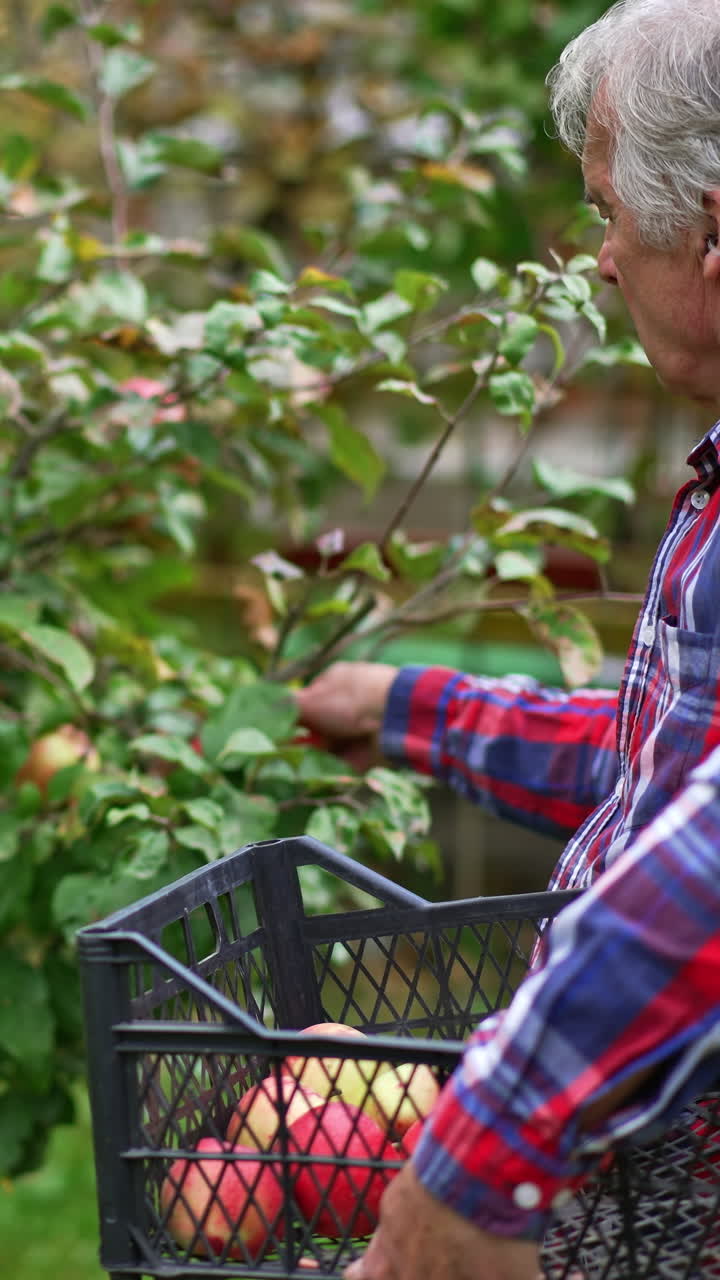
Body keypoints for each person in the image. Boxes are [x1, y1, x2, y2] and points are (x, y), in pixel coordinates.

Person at [293, 3, 720, 1276]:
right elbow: (670, 771)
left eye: (607, 210)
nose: (597, 255)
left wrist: (476, 1153)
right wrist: (409, 708)